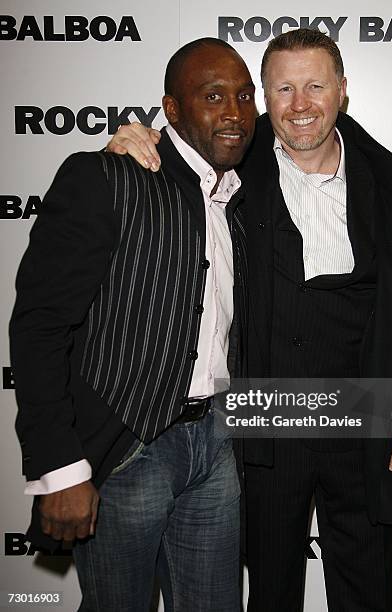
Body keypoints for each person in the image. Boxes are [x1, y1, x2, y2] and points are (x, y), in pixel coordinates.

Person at [107, 29, 392, 612]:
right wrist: (139, 138)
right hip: (263, 420)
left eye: (315, 85)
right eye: (283, 89)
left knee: (368, 593)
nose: (300, 104)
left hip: (363, 420)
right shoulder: (233, 169)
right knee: (268, 592)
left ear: (343, 90)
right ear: (265, 97)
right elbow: (179, 146)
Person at [10, 37, 256, 612]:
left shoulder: (240, 194)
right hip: (127, 450)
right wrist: (59, 468)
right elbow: (41, 325)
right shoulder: (107, 177)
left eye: (244, 97)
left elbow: (316, 134)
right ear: (170, 110)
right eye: (213, 96)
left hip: (216, 449)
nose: (234, 112)